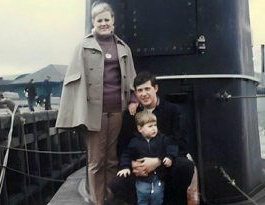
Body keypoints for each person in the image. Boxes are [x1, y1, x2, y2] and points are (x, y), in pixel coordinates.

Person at [56, 2, 138, 204]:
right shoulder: (83, 46)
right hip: (94, 112)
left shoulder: (122, 47)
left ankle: (110, 199)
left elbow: (132, 78)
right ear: (93, 22)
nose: (103, 23)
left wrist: (133, 100)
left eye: (106, 20)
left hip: (116, 111)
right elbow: (73, 81)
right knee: (95, 161)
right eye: (99, 20)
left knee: (111, 160)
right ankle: (97, 201)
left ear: (113, 21)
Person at [108, 71, 194, 205]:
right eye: (140, 90)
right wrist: (132, 164)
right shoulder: (131, 116)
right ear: (135, 93)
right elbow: (122, 145)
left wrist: (157, 161)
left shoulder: (173, 111)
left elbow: (180, 143)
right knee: (118, 183)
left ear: (155, 88)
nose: (144, 94)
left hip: (165, 163)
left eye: (147, 88)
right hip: (140, 166)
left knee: (185, 166)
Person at [117, 111, 178, 205]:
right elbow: (127, 155)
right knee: (142, 197)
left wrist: (169, 157)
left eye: (155, 125)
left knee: (157, 197)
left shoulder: (162, 139)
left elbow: (171, 147)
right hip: (142, 179)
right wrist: (125, 167)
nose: (154, 128)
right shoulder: (134, 142)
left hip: (157, 176)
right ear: (140, 128)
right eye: (150, 126)